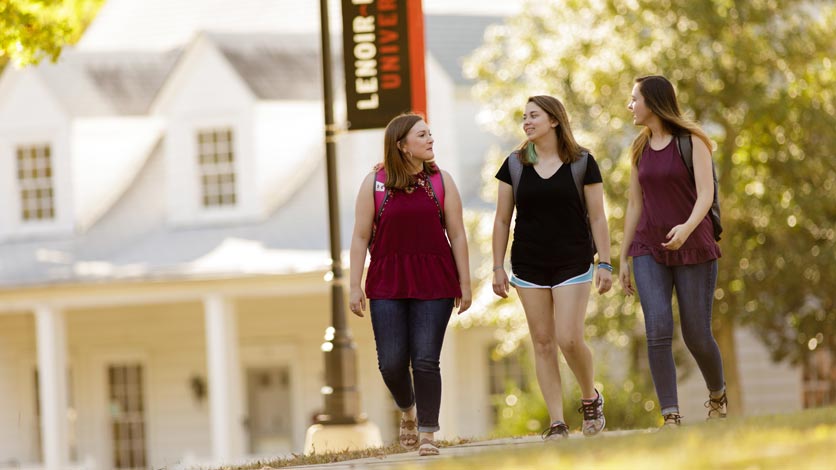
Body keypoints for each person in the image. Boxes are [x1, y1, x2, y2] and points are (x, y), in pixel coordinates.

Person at [348, 113, 471, 456]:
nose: (431, 140)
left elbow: (457, 234)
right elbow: (359, 237)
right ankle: (408, 410)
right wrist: (354, 285)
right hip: (387, 281)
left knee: (426, 359)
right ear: (402, 145)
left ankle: (428, 433)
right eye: (422, 135)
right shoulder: (375, 183)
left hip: (436, 281)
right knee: (390, 361)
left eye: (430, 134)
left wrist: (466, 282)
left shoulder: (441, 181)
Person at [492, 95, 612, 440]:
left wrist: (605, 261)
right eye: (524, 117)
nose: (527, 122)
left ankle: (590, 397)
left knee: (569, 338)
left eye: (534, 116)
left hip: (573, 259)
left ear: (554, 121)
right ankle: (557, 421)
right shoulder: (514, 164)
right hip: (529, 263)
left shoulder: (582, 162)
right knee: (543, 342)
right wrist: (498, 267)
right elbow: (502, 220)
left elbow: (598, 217)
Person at [620, 75, 727, 428]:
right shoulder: (638, 147)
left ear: (652, 101)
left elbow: (705, 195)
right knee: (658, 328)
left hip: (693, 244)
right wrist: (623, 256)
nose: (630, 105)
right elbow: (634, 205)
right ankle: (671, 415)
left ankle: (717, 394)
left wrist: (686, 228)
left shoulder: (692, 141)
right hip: (649, 247)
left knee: (696, 333)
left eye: (634, 98)